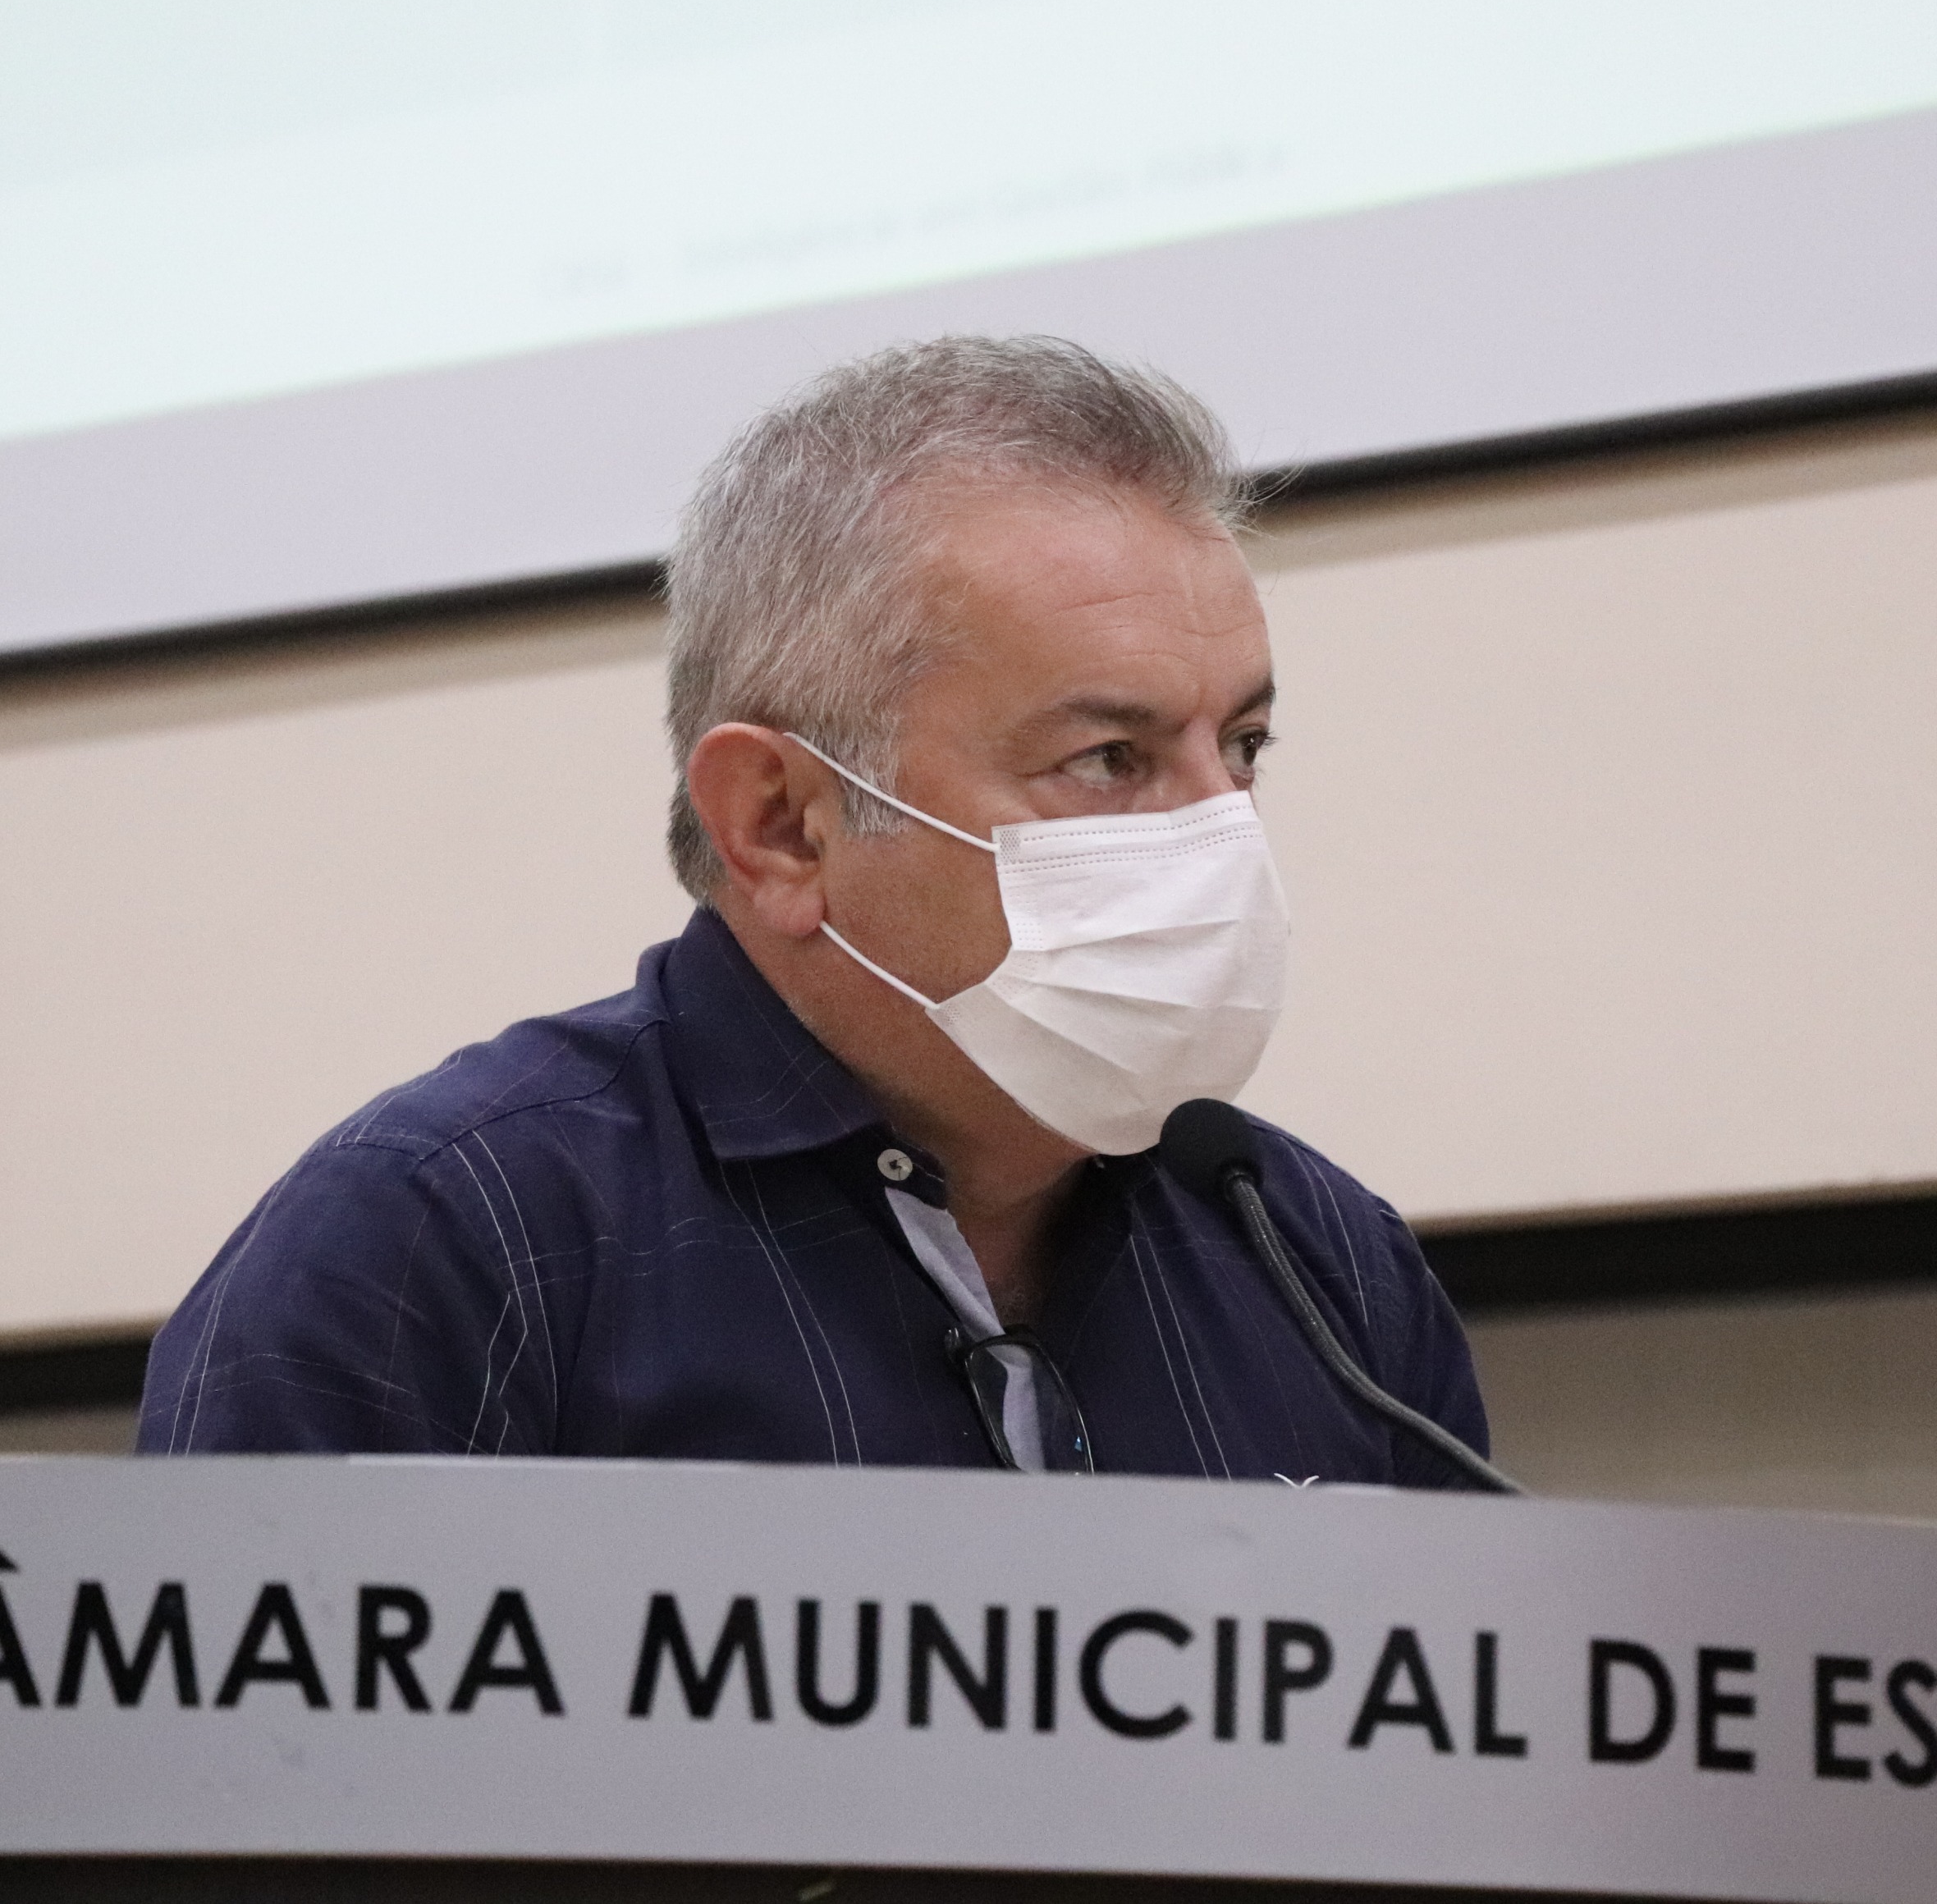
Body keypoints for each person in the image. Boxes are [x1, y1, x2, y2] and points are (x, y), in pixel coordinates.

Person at [139, 336, 1492, 1482]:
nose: (1220, 831)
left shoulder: (1328, 1275)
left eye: (1242, 747)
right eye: (1108, 759)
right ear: (783, 824)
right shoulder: (442, 1248)